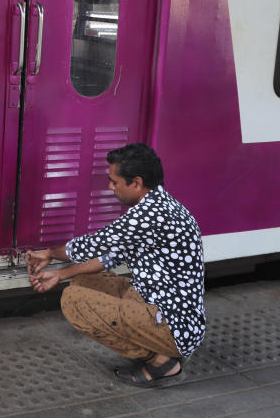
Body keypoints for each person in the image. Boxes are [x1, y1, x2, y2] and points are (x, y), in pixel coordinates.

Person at [26, 143, 205, 387]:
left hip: (173, 325)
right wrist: (60, 273)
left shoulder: (149, 215)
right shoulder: (162, 204)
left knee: (74, 300)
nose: (110, 187)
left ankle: (161, 361)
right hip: (163, 307)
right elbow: (109, 257)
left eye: (114, 181)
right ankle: (162, 353)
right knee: (82, 282)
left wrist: (49, 253)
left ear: (136, 183)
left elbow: (92, 246)